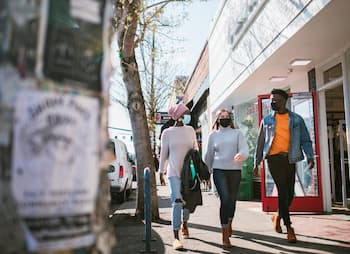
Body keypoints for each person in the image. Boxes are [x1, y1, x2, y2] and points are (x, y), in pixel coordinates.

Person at [253, 88, 315, 243]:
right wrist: (256, 163)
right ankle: (289, 227)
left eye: (276, 100)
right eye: (271, 100)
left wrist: (309, 156)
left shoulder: (296, 119)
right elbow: (260, 143)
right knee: (282, 190)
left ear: (284, 101)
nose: (273, 102)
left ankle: (278, 215)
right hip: (273, 159)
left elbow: (305, 140)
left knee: (290, 194)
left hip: (290, 158)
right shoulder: (267, 120)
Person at [205, 108, 249, 248]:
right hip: (219, 170)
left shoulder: (237, 133)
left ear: (230, 118)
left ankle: (229, 221)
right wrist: (207, 172)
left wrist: (241, 155)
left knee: (232, 199)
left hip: (235, 170)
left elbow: (244, 149)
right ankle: (224, 234)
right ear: (217, 120)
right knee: (224, 199)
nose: (225, 118)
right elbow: (208, 156)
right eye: (221, 116)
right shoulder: (213, 136)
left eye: (227, 116)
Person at [158, 103, 198, 250]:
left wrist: (199, 169)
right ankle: (176, 237)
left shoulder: (191, 130)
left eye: (187, 113)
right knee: (177, 201)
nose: (187, 116)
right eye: (185, 113)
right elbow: (163, 154)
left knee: (187, 202)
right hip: (173, 172)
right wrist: (160, 172)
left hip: (189, 173)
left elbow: (195, 150)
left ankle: (184, 224)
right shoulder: (167, 133)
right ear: (177, 116)